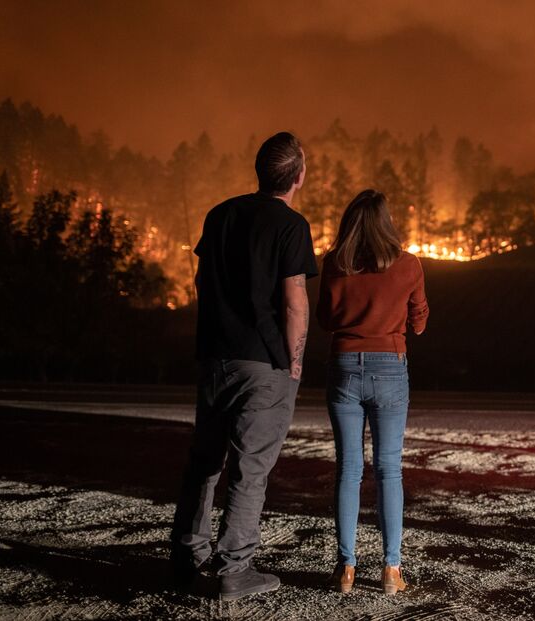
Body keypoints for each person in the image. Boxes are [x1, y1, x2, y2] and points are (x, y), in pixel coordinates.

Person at [170, 132, 318, 602]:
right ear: (298, 177)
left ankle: (185, 557)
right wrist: (293, 362)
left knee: (204, 463)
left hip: (216, 356)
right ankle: (234, 569)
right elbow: (295, 300)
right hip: (264, 362)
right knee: (249, 469)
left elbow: (199, 280)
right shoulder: (292, 226)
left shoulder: (221, 215)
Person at [316, 189, 429, 595]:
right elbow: (418, 322)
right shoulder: (409, 265)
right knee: (388, 469)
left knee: (348, 469)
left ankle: (345, 568)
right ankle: (391, 570)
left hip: (345, 365)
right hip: (389, 368)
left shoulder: (334, 263)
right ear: (387, 223)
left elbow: (326, 321)